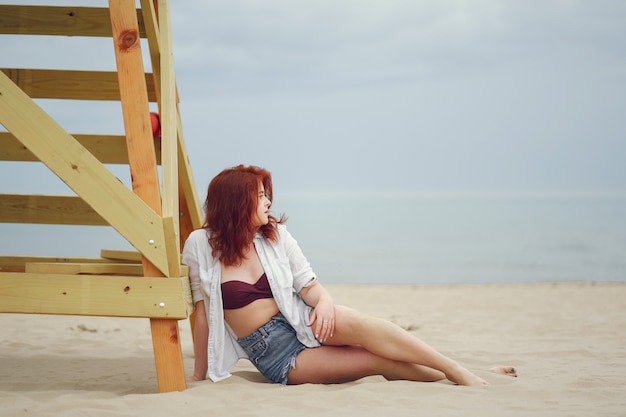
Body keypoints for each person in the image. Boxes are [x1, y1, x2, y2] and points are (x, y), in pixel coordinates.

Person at [182, 164, 517, 386]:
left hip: (302, 319)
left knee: (358, 322)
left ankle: (454, 368)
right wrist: (199, 375)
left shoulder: (275, 235)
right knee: (374, 360)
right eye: (260, 195)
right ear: (237, 203)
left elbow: (308, 284)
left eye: (267, 193)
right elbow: (202, 313)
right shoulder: (201, 244)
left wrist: (325, 302)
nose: (268, 201)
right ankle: (455, 373)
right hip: (279, 355)